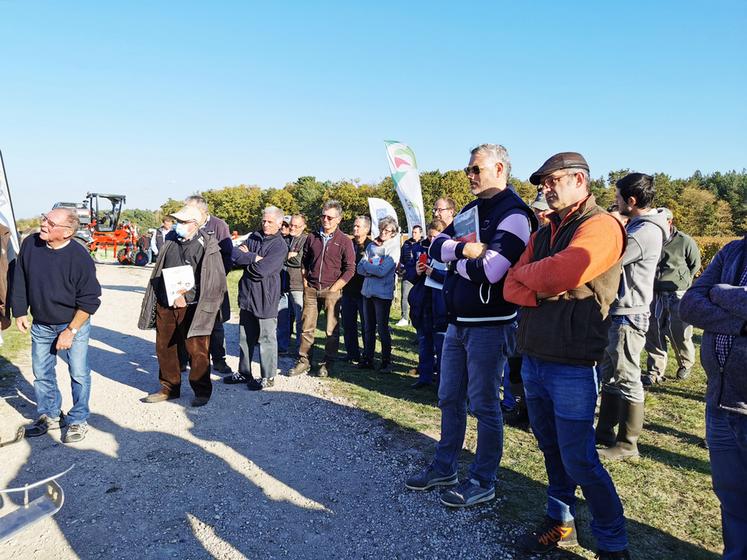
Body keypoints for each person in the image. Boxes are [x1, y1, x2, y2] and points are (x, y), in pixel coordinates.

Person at [504, 152, 629, 559]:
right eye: (542, 183)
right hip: (536, 356)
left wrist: (538, 280)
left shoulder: (601, 225)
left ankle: (613, 544)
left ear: (578, 179)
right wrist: (542, 283)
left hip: (574, 364)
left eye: (552, 181)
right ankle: (560, 524)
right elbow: (510, 284)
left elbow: (566, 271)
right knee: (550, 449)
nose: (545, 189)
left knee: (579, 459)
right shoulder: (545, 232)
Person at [406, 143, 534, 508]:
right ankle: (445, 466)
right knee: (448, 397)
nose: (469, 175)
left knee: (484, 405)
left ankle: (483, 478)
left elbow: (492, 271)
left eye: (476, 169)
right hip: (458, 322)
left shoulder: (515, 214)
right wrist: (463, 252)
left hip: (490, 325)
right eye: (469, 169)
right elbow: (435, 248)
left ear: (499, 168)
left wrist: (453, 256)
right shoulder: (470, 210)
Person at [679, 235, 747, 560]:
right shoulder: (735, 250)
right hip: (720, 402)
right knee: (732, 500)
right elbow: (690, 305)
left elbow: (707, 298)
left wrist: (720, 294)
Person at [12, 208, 102, 443]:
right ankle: (50, 415)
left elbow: (91, 300)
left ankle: (78, 419)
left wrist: (71, 331)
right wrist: (20, 311)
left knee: (79, 373)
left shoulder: (80, 258)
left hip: (72, 323)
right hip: (41, 323)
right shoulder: (31, 244)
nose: (43, 224)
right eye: (44, 218)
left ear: (67, 233)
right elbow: (20, 276)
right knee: (42, 373)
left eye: (50, 223)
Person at [596, 174, 668, 461]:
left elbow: (612, 257)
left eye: (617, 197)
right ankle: (604, 432)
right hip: (620, 312)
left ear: (631, 200)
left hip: (629, 314)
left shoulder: (645, 232)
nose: (615, 202)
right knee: (611, 375)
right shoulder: (639, 227)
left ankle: (628, 444)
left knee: (627, 377)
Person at [138, 205, 227, 407]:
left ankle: (201, 391)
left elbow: (212, 280)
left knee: (197, 350)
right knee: (165, 347)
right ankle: (169, 387)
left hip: (193, 306)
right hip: (166, 304)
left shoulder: (207, 245)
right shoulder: (170, 240)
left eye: (183, 222)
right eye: (177, 221)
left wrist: (184, 296)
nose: (178, 225)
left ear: (194, 224)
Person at [225, 207, 288, 390]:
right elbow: (235, 255)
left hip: (265, 297)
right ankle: (244, 373)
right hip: (247, 295)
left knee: (266, 337)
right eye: (264, 221)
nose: (265, 224)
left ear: (278, 223)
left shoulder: (279, 246)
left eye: (269, 221)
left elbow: (262, 271)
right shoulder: (254, 236)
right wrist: (253, 257)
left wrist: (248, 260)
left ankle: (268, 376)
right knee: (245, 337)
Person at [290, 200, 355, 378]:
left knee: (331, 330)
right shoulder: (312, 237)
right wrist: (305, 283)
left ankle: (328, 363)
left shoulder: (344, 241)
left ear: (338, 219)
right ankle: (304, 361)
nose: (325, 220)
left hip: (331, 290)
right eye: (323, 216)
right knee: (306, 328)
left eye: (329, 217)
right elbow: (305, 262)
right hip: (311, 289)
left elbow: (350, 269)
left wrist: (335, 288)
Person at [643, 208, 701, 384]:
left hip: (677, 291)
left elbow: (695, 264)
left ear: (669, 221)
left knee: (679, 331)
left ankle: (685, 363)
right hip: (653, 291)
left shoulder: (684, 241)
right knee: (653, 330)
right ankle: (655, 370)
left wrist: (682, 280)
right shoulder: (650, 238)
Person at [184, 195, 234, 375]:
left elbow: (228, 255)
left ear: (202, 212)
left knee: (215, 324)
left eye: (189, 209)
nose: (185, 213)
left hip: (212, 285)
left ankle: (219, 360)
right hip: (189, 285)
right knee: (187, 321)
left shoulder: (219, 226)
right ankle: (187, 359)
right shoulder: (187, 225)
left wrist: (218, 278)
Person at [404, 219, 447, 388]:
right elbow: (408, 273)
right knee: (424, 344)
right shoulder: (419, 248)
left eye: (435, 237)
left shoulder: (449, 250)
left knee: (442, 348)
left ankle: (443, 383)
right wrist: (416, 271)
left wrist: (433, 273)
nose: (431, 240)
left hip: (440, 305)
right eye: (429, 236)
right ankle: (424, 378)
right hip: (422, 304)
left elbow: (452, 277)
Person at [358, 216, 401, 372]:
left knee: (382, 328)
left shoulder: (393, 249)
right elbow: (359, 268)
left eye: (387, 230)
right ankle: (367, 358)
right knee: (368, 327)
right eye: (382, 229)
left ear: (393, 233)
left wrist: (368, 269)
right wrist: (370, 270)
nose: (383, 232)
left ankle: (386, 360)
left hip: (382, 294)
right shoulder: (371, 246)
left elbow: (383, 271)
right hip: (367, 292)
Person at [342, 215, 372, 365]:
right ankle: (352, 353)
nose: (354, 229)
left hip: (364, 292)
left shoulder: (372, 246)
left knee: (366, 325)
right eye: (354, 226)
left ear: (366, 229)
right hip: (347, 291)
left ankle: (367, 356)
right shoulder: (348, 244)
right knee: (348, 324)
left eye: (358, 226)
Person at [277, 214, 308, 356]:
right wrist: (288, 255)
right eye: (291, 225)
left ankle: (300, 350)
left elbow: (300, 261)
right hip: (283, 284)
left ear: (304, 226)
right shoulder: (285, 239)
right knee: (282, 318)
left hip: (298, 285)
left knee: (300, 319)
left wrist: (289, 256)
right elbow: (276, 256)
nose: (293, 228)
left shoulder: (306, 240)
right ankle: (281, 347)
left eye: (296, 226)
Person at [396, 225, 422, 327]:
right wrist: (401, 269)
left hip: (419, 275)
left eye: (416, 232)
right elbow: (401, 258)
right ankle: (404, 318)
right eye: (413, 232)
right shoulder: (406, 244)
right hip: (407, 273)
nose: (414, 234)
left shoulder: (422, 244)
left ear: (420, 233)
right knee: (405, 296)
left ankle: (415, 318)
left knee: (417, 298)